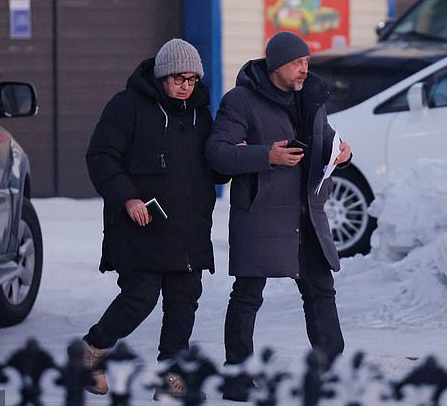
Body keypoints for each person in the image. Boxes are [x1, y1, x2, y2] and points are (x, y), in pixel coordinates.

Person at [206, 31, 352, 401]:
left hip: (306, 213)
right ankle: (236, 378)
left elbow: (326, 137)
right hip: (262, 212)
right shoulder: (240, 101)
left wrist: (341, 152)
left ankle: (331, 370)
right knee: (248, 294)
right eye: (298, 63)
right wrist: (265, 156)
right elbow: (218, 154)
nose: (306, 69)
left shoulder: (312, 97)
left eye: (307, 62)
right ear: (277, 65)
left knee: (320, 290)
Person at [82, 38, 224, 399]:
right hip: (141, 226)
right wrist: (128, 197)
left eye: (192, 79)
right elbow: (101, 156)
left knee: (183, 304)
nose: (186, 86)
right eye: (179, 78)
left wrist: (229, 159)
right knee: (139, 299)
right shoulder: (127, 106)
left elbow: (211, 168)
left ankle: (171, 375)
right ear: (162, 75)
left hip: (189, 228)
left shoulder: (199, 113)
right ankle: (92, 353)